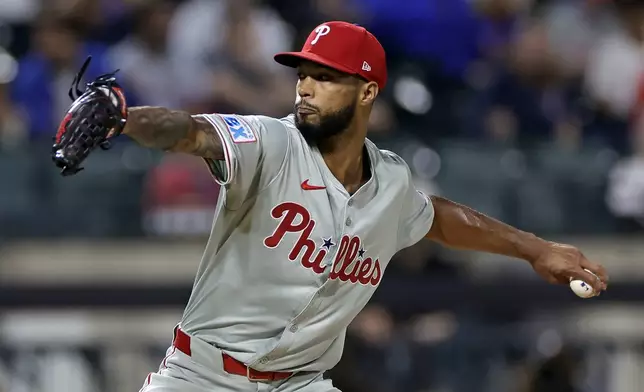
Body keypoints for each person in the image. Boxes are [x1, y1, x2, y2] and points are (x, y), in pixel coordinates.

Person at [123, 21, 608, 392]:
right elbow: (190, 131)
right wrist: (122, 118)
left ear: (367, 91)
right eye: (304, 74)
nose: (305, 87)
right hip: (203, 377)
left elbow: (437, 217)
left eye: (326, 77)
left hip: (299, 383)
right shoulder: (273, 143)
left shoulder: (391, 181)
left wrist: (537, 249)